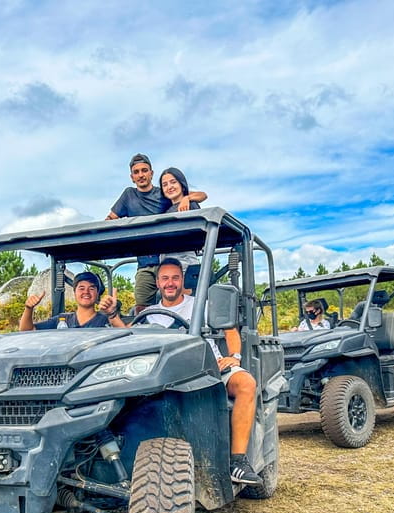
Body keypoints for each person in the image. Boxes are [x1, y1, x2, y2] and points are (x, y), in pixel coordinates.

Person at [100, 258, 263, 485]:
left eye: (175, 278)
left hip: (207, 368)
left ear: (182, 280)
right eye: (165, 278)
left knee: (246, 383)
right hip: (163, 374)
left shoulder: (201, 305)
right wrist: (112, 316)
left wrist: (233, 357)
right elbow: (129, 336)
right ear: (157, 283)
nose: (170, 283)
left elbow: (230, 331)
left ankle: (238, 461)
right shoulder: (149, 313)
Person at [105, 154, 207, 312]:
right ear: (132, 177)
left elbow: (202, 195)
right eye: (137, 172)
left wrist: (187, 198)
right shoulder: (128, 195)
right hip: (145, 263)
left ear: (151, 173)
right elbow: (110, 219)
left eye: (144, 170)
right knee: (141, 307)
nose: (141, 175)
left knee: (181, 303)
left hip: (171, 261)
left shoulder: (165, 194)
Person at [19, 272, 110, 330]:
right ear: (74, 292)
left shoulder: (106, 320)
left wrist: (113, 314)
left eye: (91, 288)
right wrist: (28, 309)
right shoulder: (62, 321)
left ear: (98, 293)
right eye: (81, 288)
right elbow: (27, 330)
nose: (86, 292)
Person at [159, 167, 201, 275]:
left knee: (187, 292)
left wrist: (187, 198)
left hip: (185, 263)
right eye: (165, 185)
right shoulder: (166, 211)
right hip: (166, 264)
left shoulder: (190, 204)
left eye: (173, 182)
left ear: (181, 185)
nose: (169, 187)